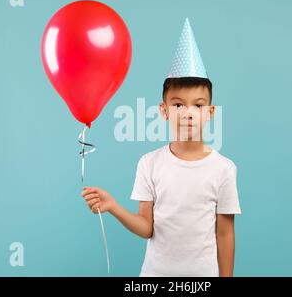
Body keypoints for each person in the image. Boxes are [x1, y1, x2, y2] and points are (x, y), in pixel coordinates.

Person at [82, 18, 242, 276]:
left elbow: (225, 233)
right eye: (178, 105)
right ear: (164, 111)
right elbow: (147, 227)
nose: (188, 113)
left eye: (198, 106)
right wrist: (113, 206)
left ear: (210, 112)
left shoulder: (223, 169)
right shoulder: (150, 163)